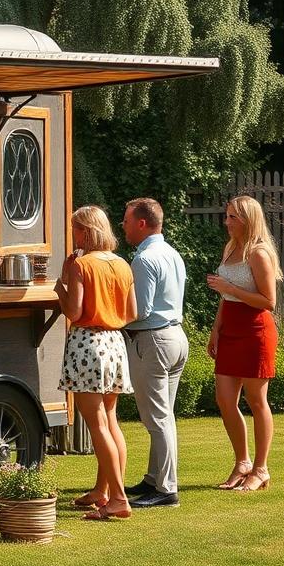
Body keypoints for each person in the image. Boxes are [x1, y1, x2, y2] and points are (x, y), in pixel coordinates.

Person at [56, 205, 137, 521]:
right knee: (111, 421)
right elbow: (132, 313)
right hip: (115, 344)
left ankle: (117, 498)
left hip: (87, 344)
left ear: (86, 232)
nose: (73, 235)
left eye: (75, 229)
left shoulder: (82, 265)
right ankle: (104, 491)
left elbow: (74, 312)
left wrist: (60, 287)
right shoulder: (122, 264)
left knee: (98, 425)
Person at [205, 195, 281, 492]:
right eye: (227, 216)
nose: (227, 222)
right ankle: (242, 462)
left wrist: (230, 287)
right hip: (230, 330)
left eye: (233, 217)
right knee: (225, 400)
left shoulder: (258, 253)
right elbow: (226, 298)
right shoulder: (230, 248)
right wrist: (215, 330)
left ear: (248, 219)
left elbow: (269, 301)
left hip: (255, 331)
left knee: (256, 400)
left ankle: (261, 469)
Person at [121, 197, 189, 509]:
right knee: (164, 415)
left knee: (158, 418)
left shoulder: (144, 259)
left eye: (126, 220)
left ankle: (166, 489)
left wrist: (110, 316)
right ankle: (154, 478)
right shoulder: (173, 253)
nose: (123, 226)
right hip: (175, 338)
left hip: (154, 341)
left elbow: (141, 310)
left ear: (142, 223)